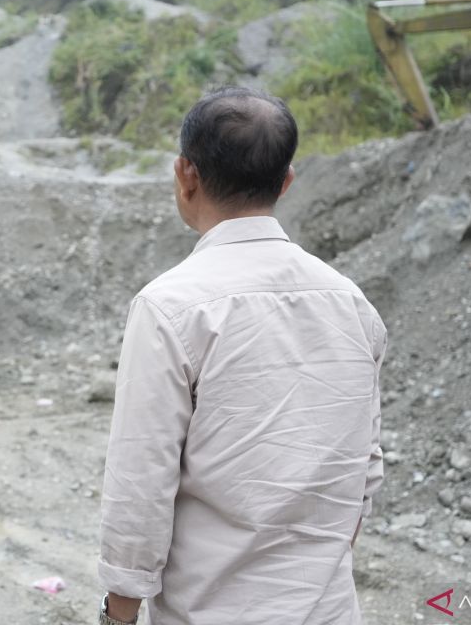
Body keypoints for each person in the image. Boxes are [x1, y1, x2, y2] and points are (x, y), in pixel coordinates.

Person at [97, 87, 385, 625]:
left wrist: (119, 613)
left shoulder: (170, 307)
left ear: (186, 175)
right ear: (287, 180)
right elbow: (363, 470)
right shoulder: (352, 304)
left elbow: (141, 481)